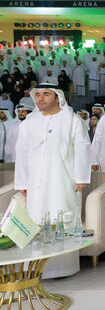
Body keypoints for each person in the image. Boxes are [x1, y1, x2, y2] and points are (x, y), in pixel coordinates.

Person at [14, 83, 91, 278]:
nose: (41, 99)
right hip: (36, 184)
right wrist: (22, 183)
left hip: (63, 181)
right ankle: (38, 269)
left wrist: (81, 177)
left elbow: (82, 148)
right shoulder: (29, 122)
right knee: (37, 219)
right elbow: (21, 153)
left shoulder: (71, 120)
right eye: (38, 95)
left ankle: (64, 267)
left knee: (62, 217)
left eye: (46, 94)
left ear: (57, 97)